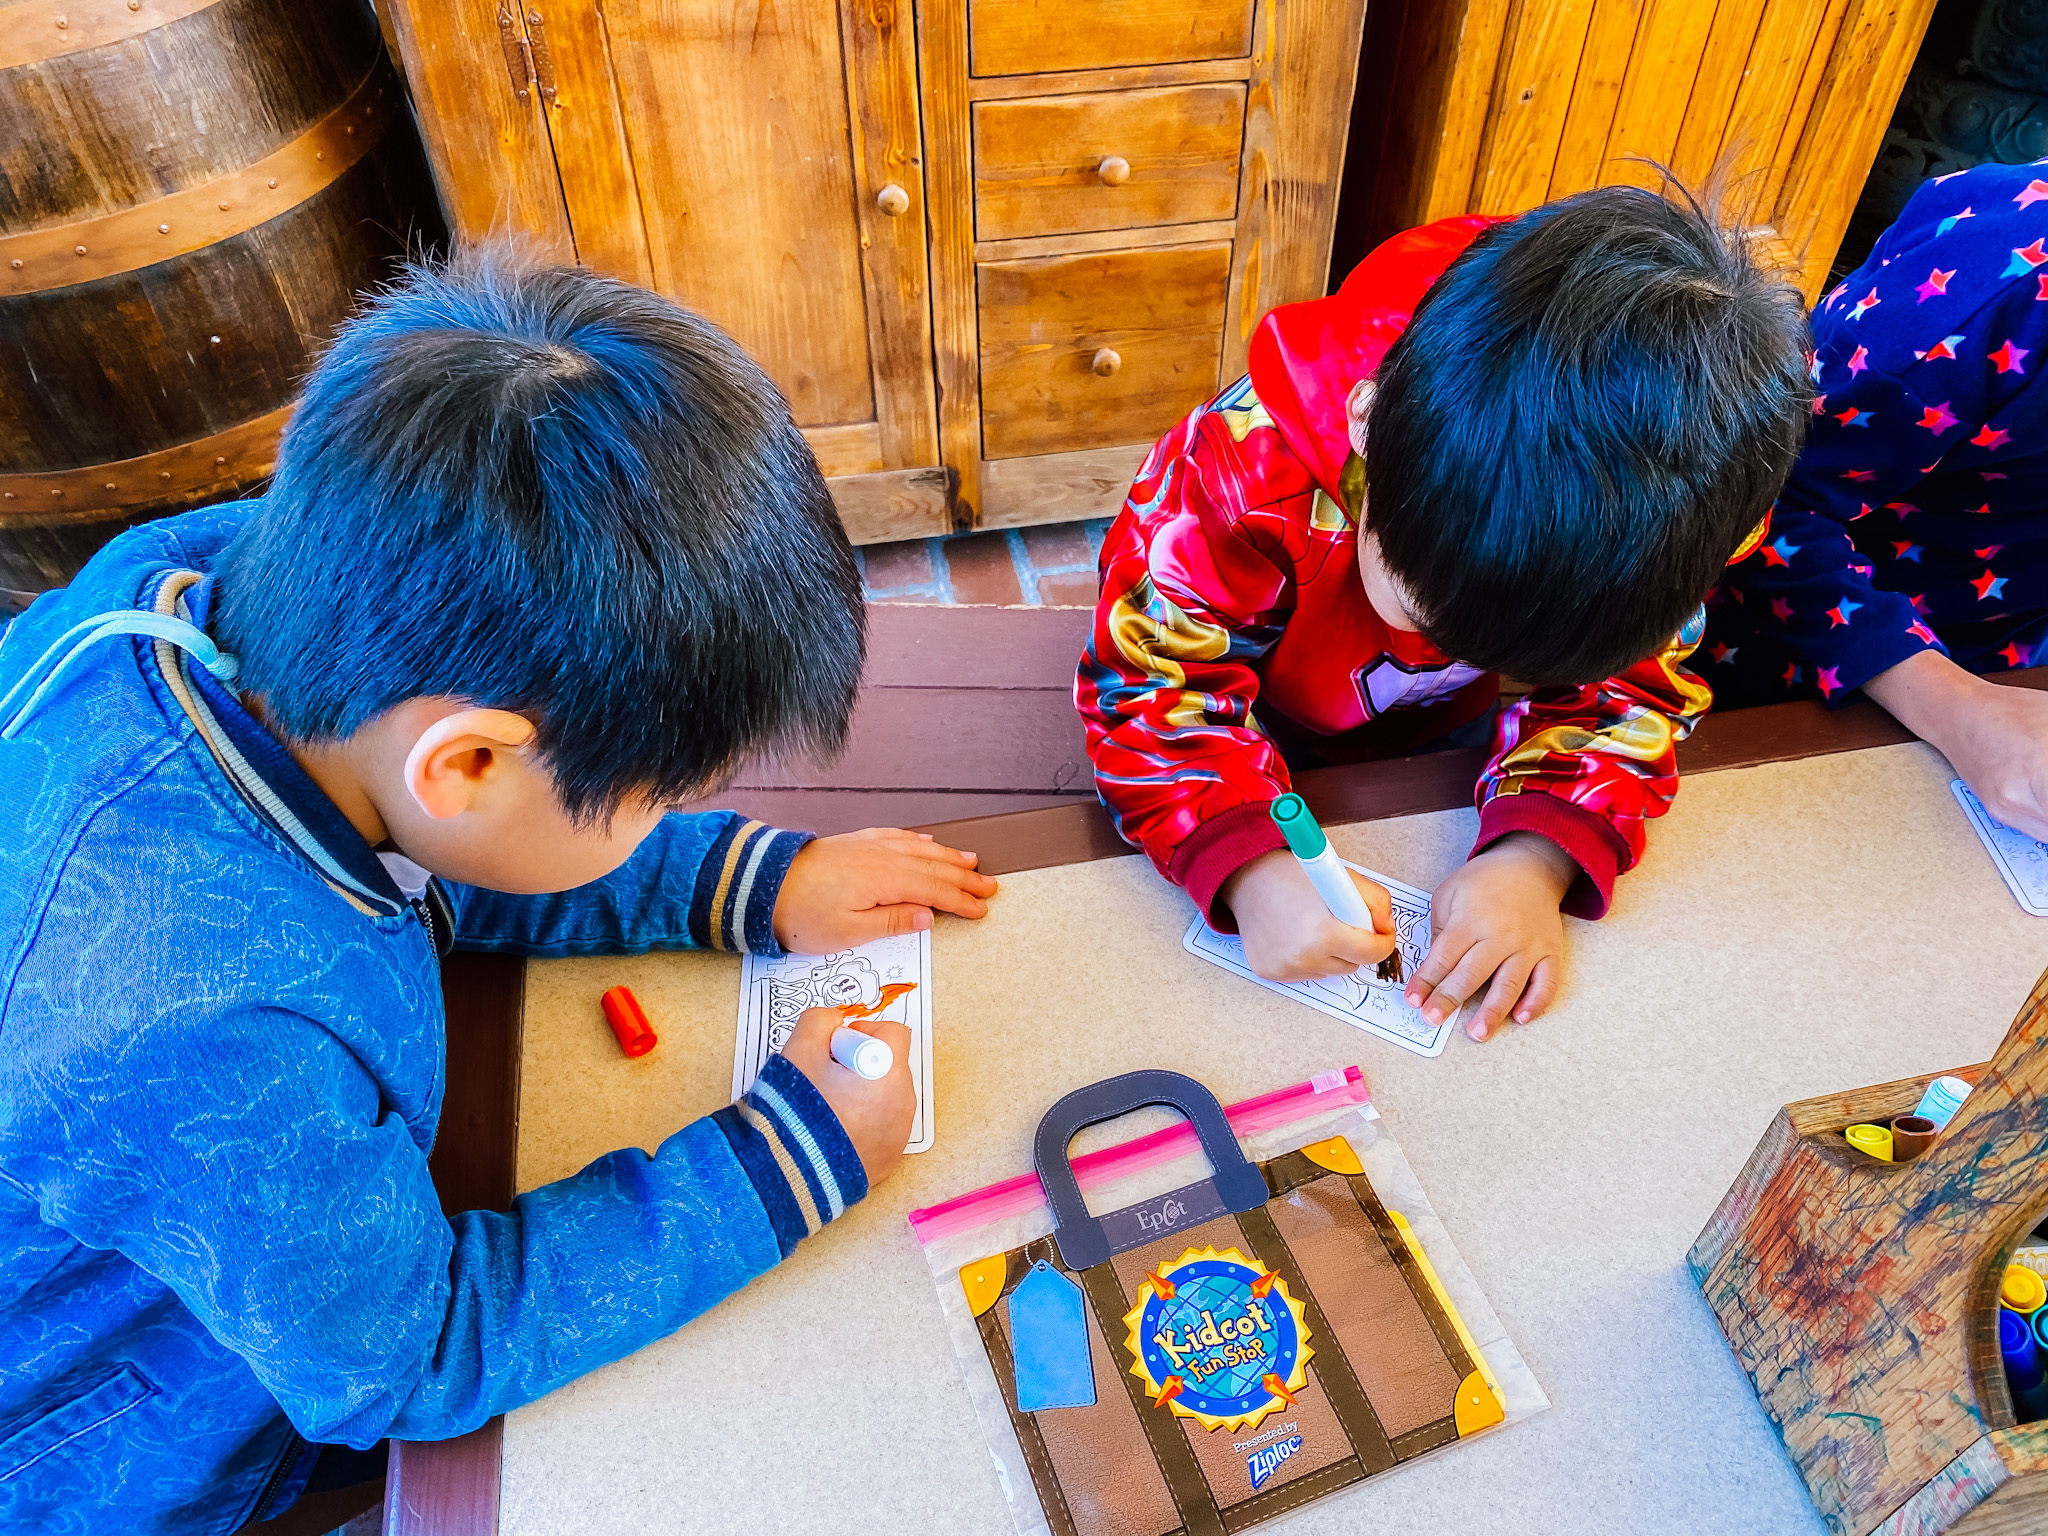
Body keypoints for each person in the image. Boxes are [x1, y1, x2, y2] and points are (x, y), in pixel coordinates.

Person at [0, 250, 995, 1534]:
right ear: (464, 760)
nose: (671, 819)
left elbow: (446, 840)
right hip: (135, 1444)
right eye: (655, 799)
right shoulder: (193, 1028)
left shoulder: (250, 583)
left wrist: (741, 880)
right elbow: (403, 1361)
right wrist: (782, 1160)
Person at [1077, 183, 1809, 1040]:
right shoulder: (1237, 469)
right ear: (1364, 420)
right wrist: (1246, 865)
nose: (1431, 645)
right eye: (1421, 606)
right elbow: (1152, 686)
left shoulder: (1676, 516)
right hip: (1251, 726)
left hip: (1426, 756)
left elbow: (1633, 692)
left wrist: (1534, 855)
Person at [1695, 157, 2048, 841]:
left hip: (2009, 675)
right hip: (1792, 673)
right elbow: (1753, 506)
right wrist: (1962, 712)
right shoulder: (1980, 299)